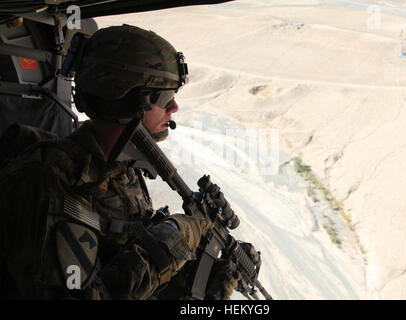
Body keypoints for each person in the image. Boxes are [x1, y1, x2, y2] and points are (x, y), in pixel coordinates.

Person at [0, 25, 240, 300]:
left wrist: (198, 276)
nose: (174, 108)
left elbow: (120, 259)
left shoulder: (124, 172)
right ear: (126, 101)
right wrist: (173, 242)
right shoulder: (46, 183)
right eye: (165, 98)